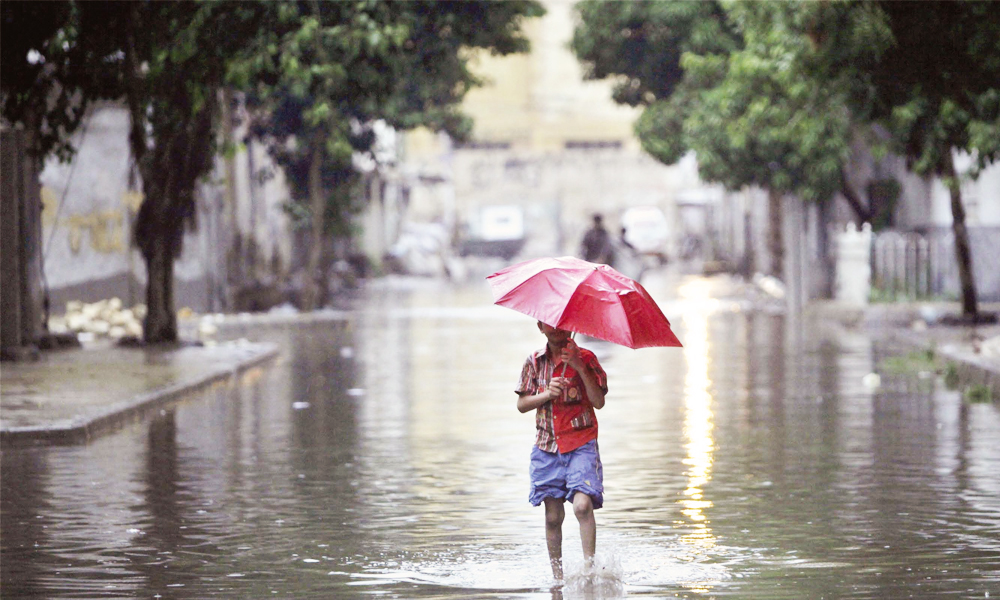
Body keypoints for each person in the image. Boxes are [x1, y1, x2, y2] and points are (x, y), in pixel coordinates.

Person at [515, 321, 608, 580]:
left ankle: (589, 571)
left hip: (581, 443)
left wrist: (579, 366)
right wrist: (546, 394)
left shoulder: (587, 358)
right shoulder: (534, 362)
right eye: (550, 325)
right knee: (553, 516)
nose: (557, 329)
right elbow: (522, 404)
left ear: (572, 326)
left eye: (563, 324)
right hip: (547, 445)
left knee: (581, 506)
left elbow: (598, 401)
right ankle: (557, 578)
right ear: (540, 327)